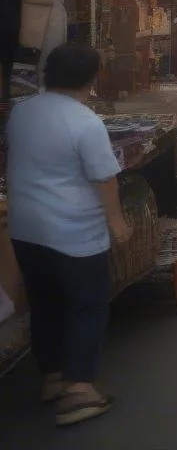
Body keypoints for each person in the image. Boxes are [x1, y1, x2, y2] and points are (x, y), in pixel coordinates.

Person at [5, 43, 130, 426]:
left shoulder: (21, 112)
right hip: (73, 232)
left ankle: (53, 378)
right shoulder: (84, 121)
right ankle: (79, 390)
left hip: (26, 228)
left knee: (45, 303)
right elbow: (104, 177)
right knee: (87, 303)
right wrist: (116, 220)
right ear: (91, 79)